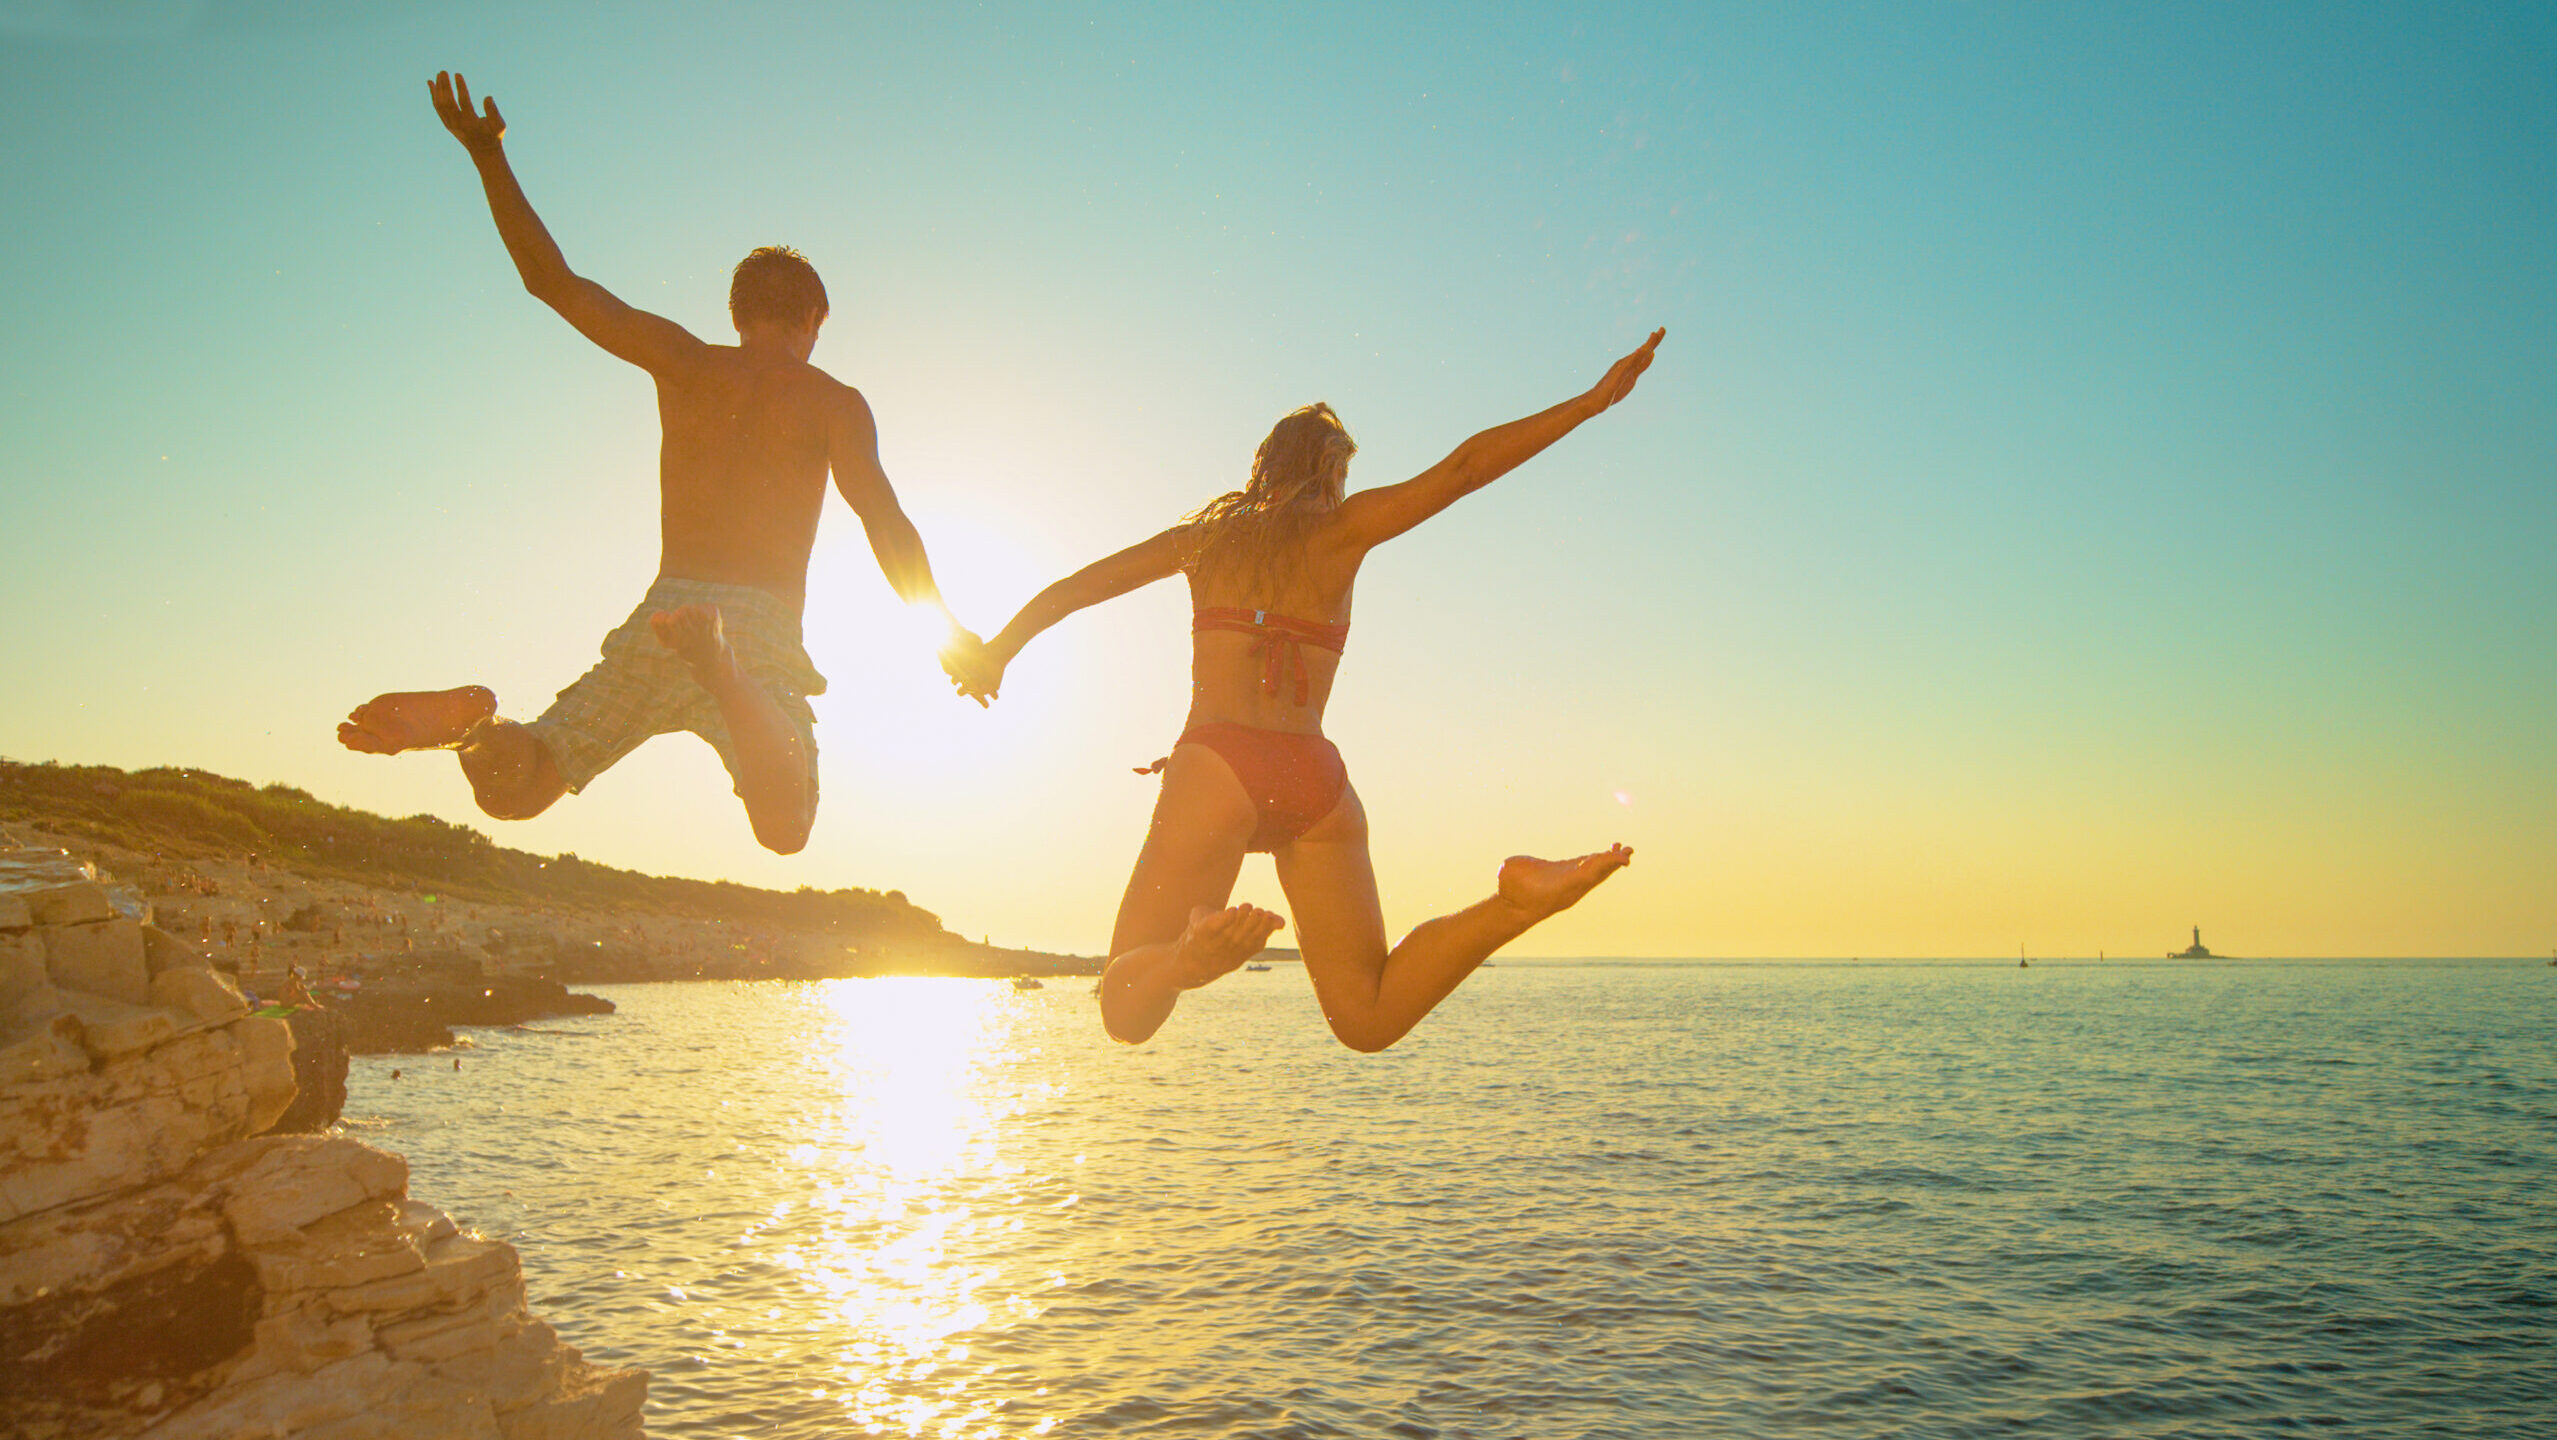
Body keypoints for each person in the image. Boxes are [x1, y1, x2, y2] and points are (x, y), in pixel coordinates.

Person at [950, 331, 1663, 1050]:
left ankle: (1184, 958)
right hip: (1317, 781)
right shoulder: (1345, 533)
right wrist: (1591, 402)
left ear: (1264, 468)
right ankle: (1511, 907)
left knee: (1126, 1012)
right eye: (1342, 477)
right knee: (1367, 1017)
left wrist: (999, 652)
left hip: (1218, 769)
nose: (1343, 494)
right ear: (1327, 471)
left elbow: (1080, 587)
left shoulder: (1205, 541)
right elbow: (1465, 470)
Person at [338, 72, 973, 854]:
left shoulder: (685, 363)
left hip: (665, 610)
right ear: (812, 318)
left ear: (737, 314)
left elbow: (552, 283)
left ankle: (473, 727)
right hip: (752, 626)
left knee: (521, 787)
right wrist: (946, 632)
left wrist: (487, 156)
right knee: (786, 824)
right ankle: (726, 673)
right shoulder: (832, 400)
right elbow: (884, 521)